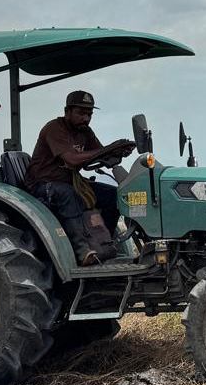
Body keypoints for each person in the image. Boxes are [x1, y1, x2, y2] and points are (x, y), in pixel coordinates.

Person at [24, 90, 135, 265]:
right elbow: (71, 159)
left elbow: (100, 154)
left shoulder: (85, 131)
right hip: (43, 185)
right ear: (67, 111)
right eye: (81, 113)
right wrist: (107, 149)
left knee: (113, 196)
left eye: (89, 114)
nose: (86, 118)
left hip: (68, 182)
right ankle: (83, 251)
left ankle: (103, 244)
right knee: (67, 194)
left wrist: (118, 151)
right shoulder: (54, 128)